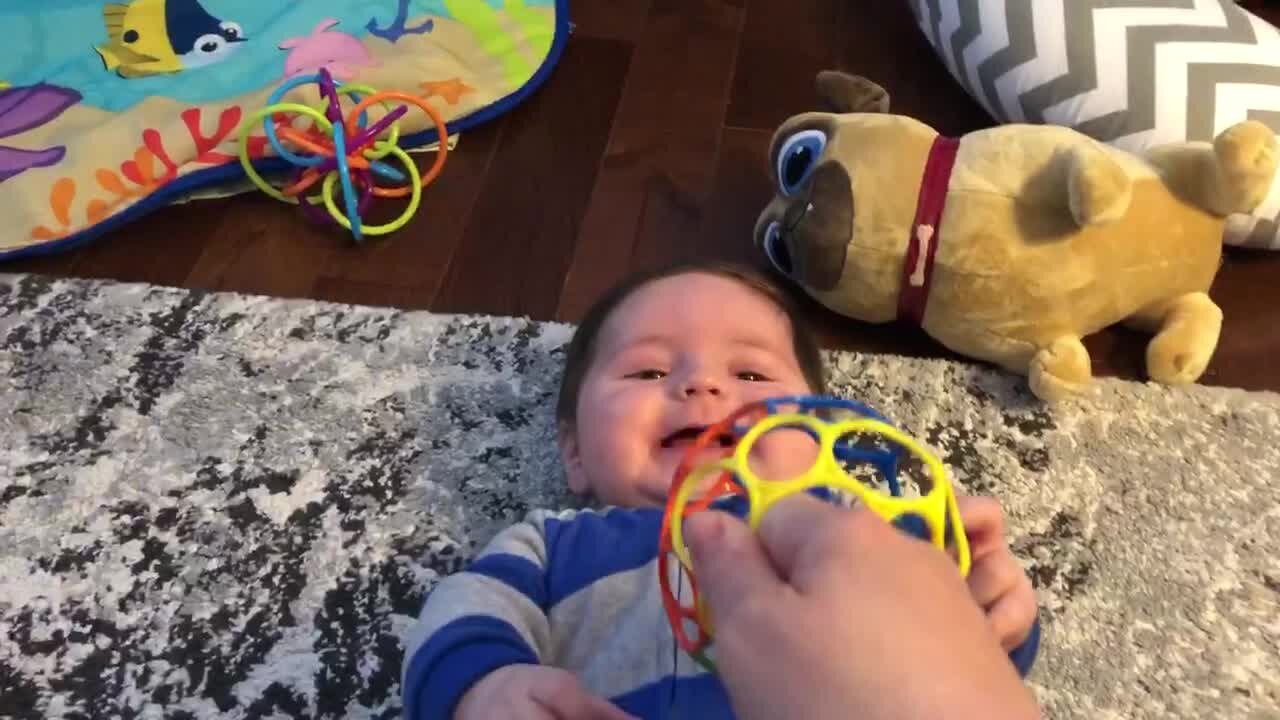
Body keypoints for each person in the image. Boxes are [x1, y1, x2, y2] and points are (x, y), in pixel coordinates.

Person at [401, 261, 1042, 720]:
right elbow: (467, 604)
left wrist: (986, 612)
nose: (703, 385)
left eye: (752, 371)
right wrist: (485, 684)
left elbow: (949, 661)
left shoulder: (854, 534)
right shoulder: (553, 544)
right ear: (574, 452)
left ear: (818, 434)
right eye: (648, 368)